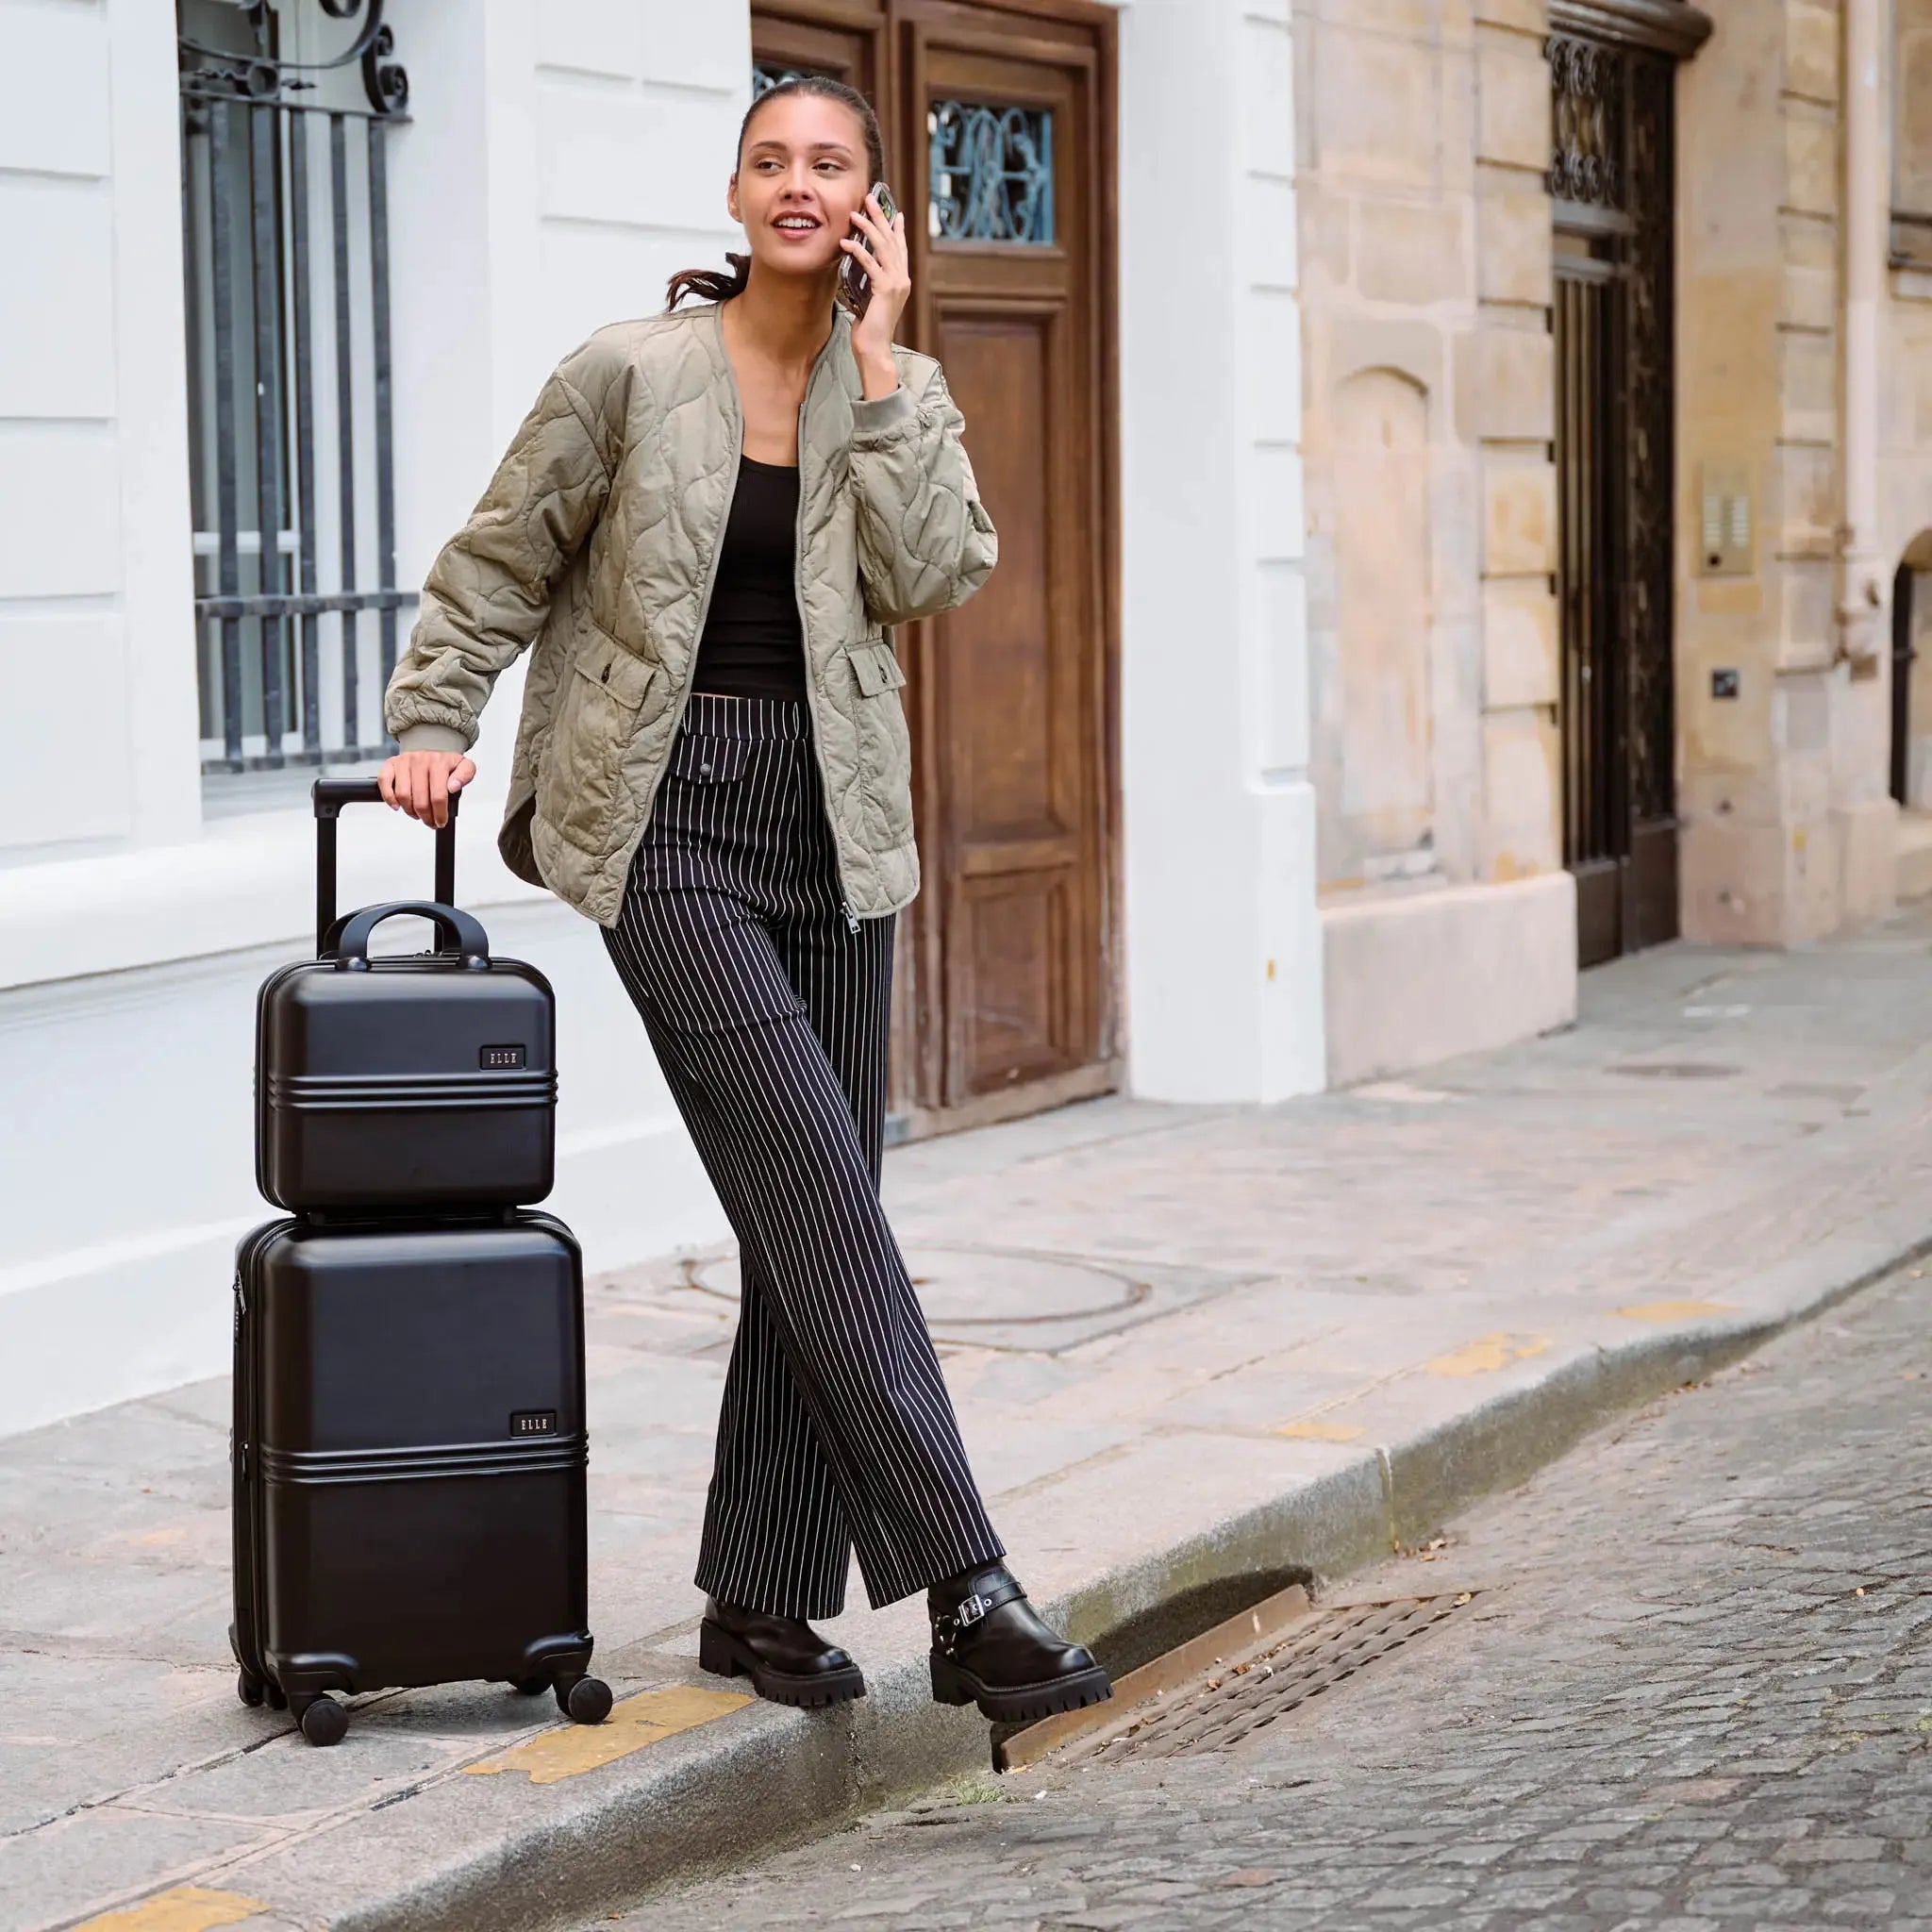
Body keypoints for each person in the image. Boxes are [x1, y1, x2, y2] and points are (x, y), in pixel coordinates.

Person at [376, 75, 1110, 1724]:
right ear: (734, 191)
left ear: (869, 207)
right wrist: (434, 722)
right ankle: (970, 1589)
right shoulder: (630, 373)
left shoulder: (885, 383)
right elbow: (497, 558)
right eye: (773, 160)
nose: (799, 185)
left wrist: (896, 359)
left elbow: (940, 574)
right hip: (666, 819)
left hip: (839, 828)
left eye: (830, 165)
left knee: (815, 1205)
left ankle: (760, 1599)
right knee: (822, 1195)